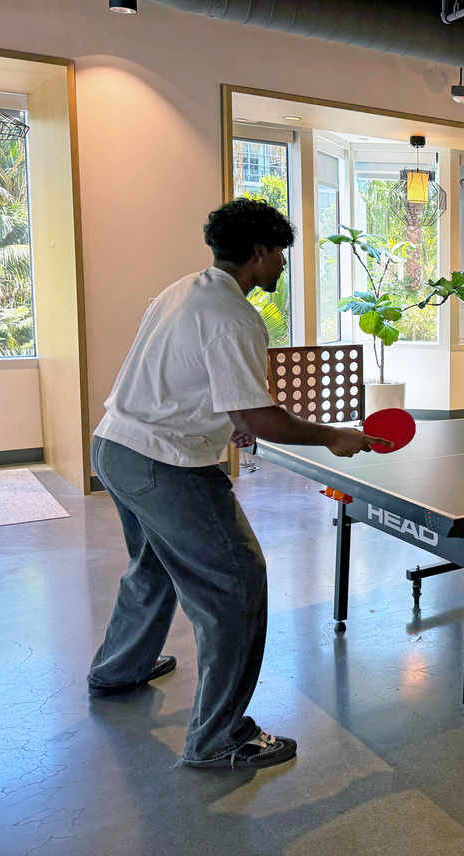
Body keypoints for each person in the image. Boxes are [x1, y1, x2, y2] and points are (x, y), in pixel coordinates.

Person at [87, 198, 388, 770]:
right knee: (237, 585)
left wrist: (230, 421)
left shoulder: (183, 289)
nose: (281, 267)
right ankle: (218, 737)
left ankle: (118, 668)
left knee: (152, 566)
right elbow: (258, 417)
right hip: (165, 464)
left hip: (116, 447)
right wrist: (331, 436)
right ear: (258, 252)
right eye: (280, 255)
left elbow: (184, 378)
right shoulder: (235, 316)